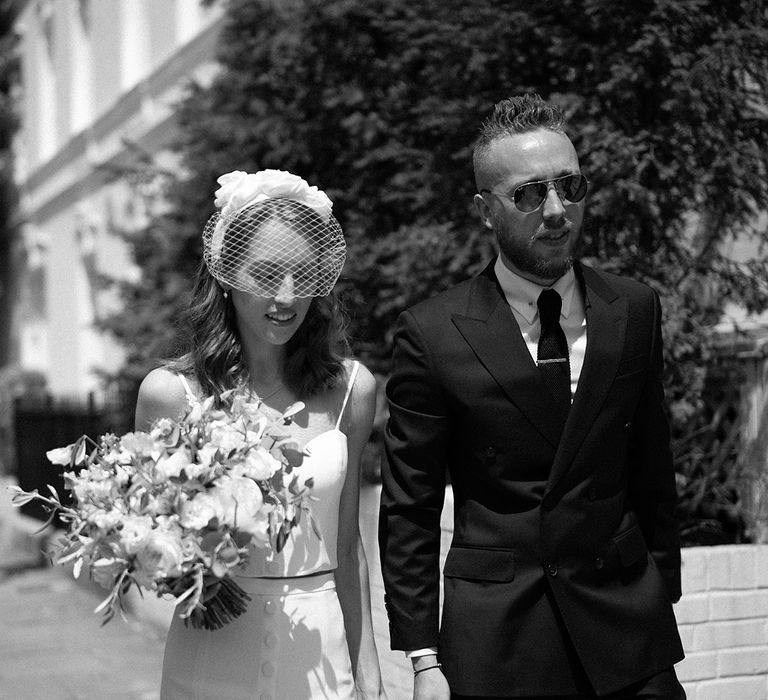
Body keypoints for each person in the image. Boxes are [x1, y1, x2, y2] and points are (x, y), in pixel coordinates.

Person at [378, 94, 685, 699]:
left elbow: (652, 460)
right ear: (483, 210)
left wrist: (660, 590)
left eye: (570, 187)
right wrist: (422, 657)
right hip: (500, 638)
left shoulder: (634, 307)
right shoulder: (433, 333)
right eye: (527, 193)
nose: (556, 210)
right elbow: (409, 505)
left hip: (626, 628)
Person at [135, 169, 387, 699]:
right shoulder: (171, 394)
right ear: (226, 274)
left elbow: (348, 547)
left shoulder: (352, 390)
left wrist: (370, 678)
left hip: (321, 663)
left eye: (304, 275)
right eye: (268, 274)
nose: (288, 296)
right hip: (210, 660)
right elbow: (151, 547)